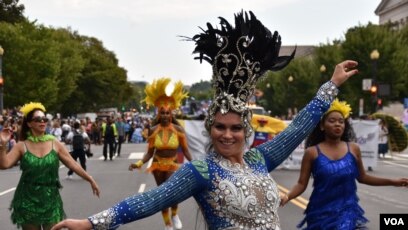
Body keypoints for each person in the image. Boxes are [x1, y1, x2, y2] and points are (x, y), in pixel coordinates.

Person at [51, 11, 358, 230]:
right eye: (220, 127)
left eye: (236, 127)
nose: (227, 134)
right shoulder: (201, 171)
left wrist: (331, 85)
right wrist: (91, 222)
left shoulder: (259, 159)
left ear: (246, 130)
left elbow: (299, 128)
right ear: (210, 128)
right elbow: (150, 201)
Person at [280, 99, 408, 229]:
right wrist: (287, 196)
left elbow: (363, 177)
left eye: (341, 121)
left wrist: (393, 182)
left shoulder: (353, 149)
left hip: (346, 211)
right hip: (319, 212)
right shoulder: (312, 153)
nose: (338, 124)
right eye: (332, 121)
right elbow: (301, 184)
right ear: (322, 126)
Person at [0, 102, 100, 230]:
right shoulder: (21, 145)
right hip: (27, 198)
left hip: (50, 197)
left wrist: (90, 179)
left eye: (45, 119)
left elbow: (73, 164)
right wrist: (2, 145)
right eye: (38, 119)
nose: (42, 122)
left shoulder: (54, 143)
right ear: (29, 123)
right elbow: (4, 164)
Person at [128, 77, 193, 230]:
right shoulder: (152, 130)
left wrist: (194, 162)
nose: (164, 115)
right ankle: (167, 224)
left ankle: (175, 214)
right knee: (163, 194)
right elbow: (150, 153)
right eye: (162, 113)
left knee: (172, 191)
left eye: (167, 113)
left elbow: (185, 150)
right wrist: (138, 164)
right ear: (159, 114)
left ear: (171, 114)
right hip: (157, 166)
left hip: (173, 164)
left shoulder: (179, 130)